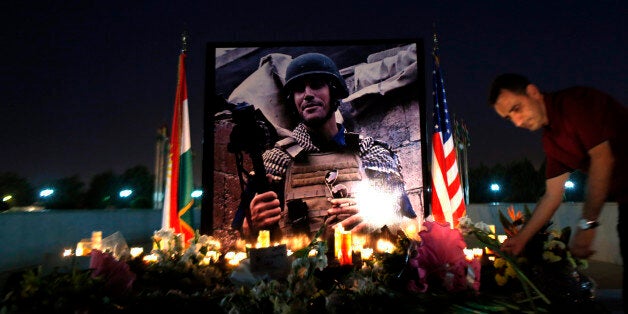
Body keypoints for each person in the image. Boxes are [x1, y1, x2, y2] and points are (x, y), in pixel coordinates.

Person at [231, 52, 416, 240]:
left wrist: (377, 220)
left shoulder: (373, 154)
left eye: (317, 85)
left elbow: (409, 226)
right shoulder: (275, 162)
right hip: (298, 268)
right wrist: (250, 227)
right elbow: (242, 238)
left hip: (367, 267)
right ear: (293, 101)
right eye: (299, 89)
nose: (308, 95)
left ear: (334, 92)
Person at [488, 73, 628, 302]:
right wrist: (522, 239)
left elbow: (603, 159)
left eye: (516, 108)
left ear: (533, 92)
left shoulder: (574, 104)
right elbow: (552, 196)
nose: (517, 121)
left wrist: (588, 224)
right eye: (509, 117)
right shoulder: (551, 141)